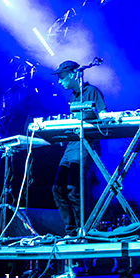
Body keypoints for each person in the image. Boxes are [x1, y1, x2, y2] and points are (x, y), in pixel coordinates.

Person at [51, 60, 107, 236]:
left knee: (73, 189)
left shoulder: (92, 91)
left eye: (61, 77)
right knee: (57, 189)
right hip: (71, 146)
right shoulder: (72, 98)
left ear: (73, 74)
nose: (59, 81)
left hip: (86, 144)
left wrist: (98, 118)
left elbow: (104, 116)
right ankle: (71, 231)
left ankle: (84, 230)